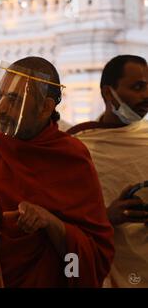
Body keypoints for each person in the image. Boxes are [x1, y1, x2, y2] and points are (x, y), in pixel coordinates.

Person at [0, 56, 114, 288]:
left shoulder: (70, 157)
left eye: (15, 100)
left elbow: (94, 251)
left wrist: (51, 223)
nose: (2, 109)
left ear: (46, 107)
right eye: (2, 95)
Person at [68, 55, 148, 287]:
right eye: (137, 87)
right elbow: (63, 220)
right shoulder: (78, 146)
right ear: (107, 93)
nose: (145, 95)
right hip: (106, 270)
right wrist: (105, 217)